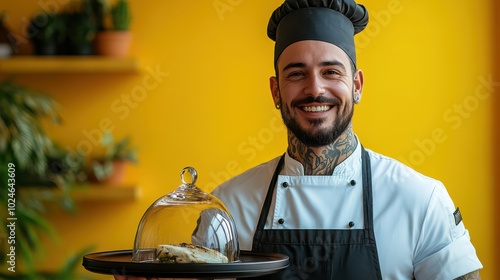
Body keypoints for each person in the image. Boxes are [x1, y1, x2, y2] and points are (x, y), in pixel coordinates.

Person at [114, 0, 482, 279]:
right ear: (276, 91)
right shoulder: (226, 208)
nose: (314, 88)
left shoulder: (421, 200)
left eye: (331, 71)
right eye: (296, 74)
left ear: (356, 86)